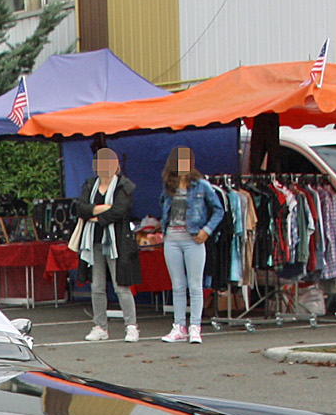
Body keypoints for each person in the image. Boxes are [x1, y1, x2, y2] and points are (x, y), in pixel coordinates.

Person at [157, 146, 226, 344]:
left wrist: (207, 230)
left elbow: (219, 210)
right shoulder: (168, 186)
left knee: (195, 285)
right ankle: (179, 326)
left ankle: (195, 326)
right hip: (172, 239)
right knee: (178, 285)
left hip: (193, 239)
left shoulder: (202, 185)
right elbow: (163, 207)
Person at [72, 147, 140, 342]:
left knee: (121, 286)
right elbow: (80, 208)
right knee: (97, 286)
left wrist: (95, 215)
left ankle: (131, 326)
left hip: (117, 242)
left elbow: (120, 211)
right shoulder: (90, 185)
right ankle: (100, 326)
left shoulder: (124, 186)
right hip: (93, 240)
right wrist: (101, 209)